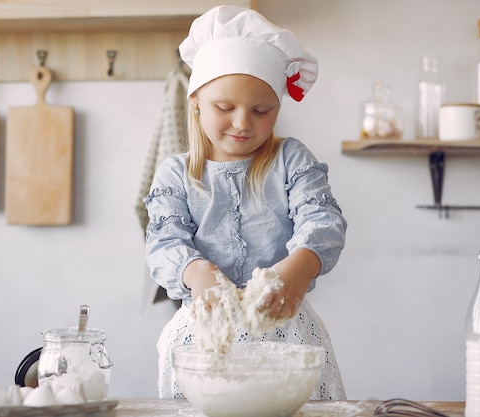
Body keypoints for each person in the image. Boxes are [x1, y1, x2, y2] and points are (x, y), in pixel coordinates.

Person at [144, 5, 348, 400]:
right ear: (197, 101)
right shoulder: (175, 174)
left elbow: (322, 219)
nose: (242, 123)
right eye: (225, 107)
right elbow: (163, 241)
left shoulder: (292, 160)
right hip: (201, 337)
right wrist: (197, 273)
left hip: (288, 335)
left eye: (261, 110)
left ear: (278, 108)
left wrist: (301, 267)